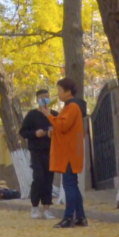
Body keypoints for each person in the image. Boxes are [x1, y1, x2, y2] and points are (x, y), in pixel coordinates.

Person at [45, 78, 87, 228]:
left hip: (69, 152)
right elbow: (64, 127)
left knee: (69, 184)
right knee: (72, 185)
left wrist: (49, 115)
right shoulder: (71, 107)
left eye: (60, 91)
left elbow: (63, 125)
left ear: (68, 92)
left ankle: (69, 217)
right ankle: (80, 217)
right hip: (71, 150)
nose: (58, 94)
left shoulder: (72, 107)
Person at [21, 88, 56, 220]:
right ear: (37, 100)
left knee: (48, 179)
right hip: (36, 151)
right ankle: (34, 206)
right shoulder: (31, 115)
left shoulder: (54, 114)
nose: (44, 100)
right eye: (41, 98)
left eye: (46, 97)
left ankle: (46, 208)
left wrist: (53, 133)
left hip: (51, 151)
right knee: (39, 178)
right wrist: (35, 134)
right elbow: (23, 132)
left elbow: (61, 129)